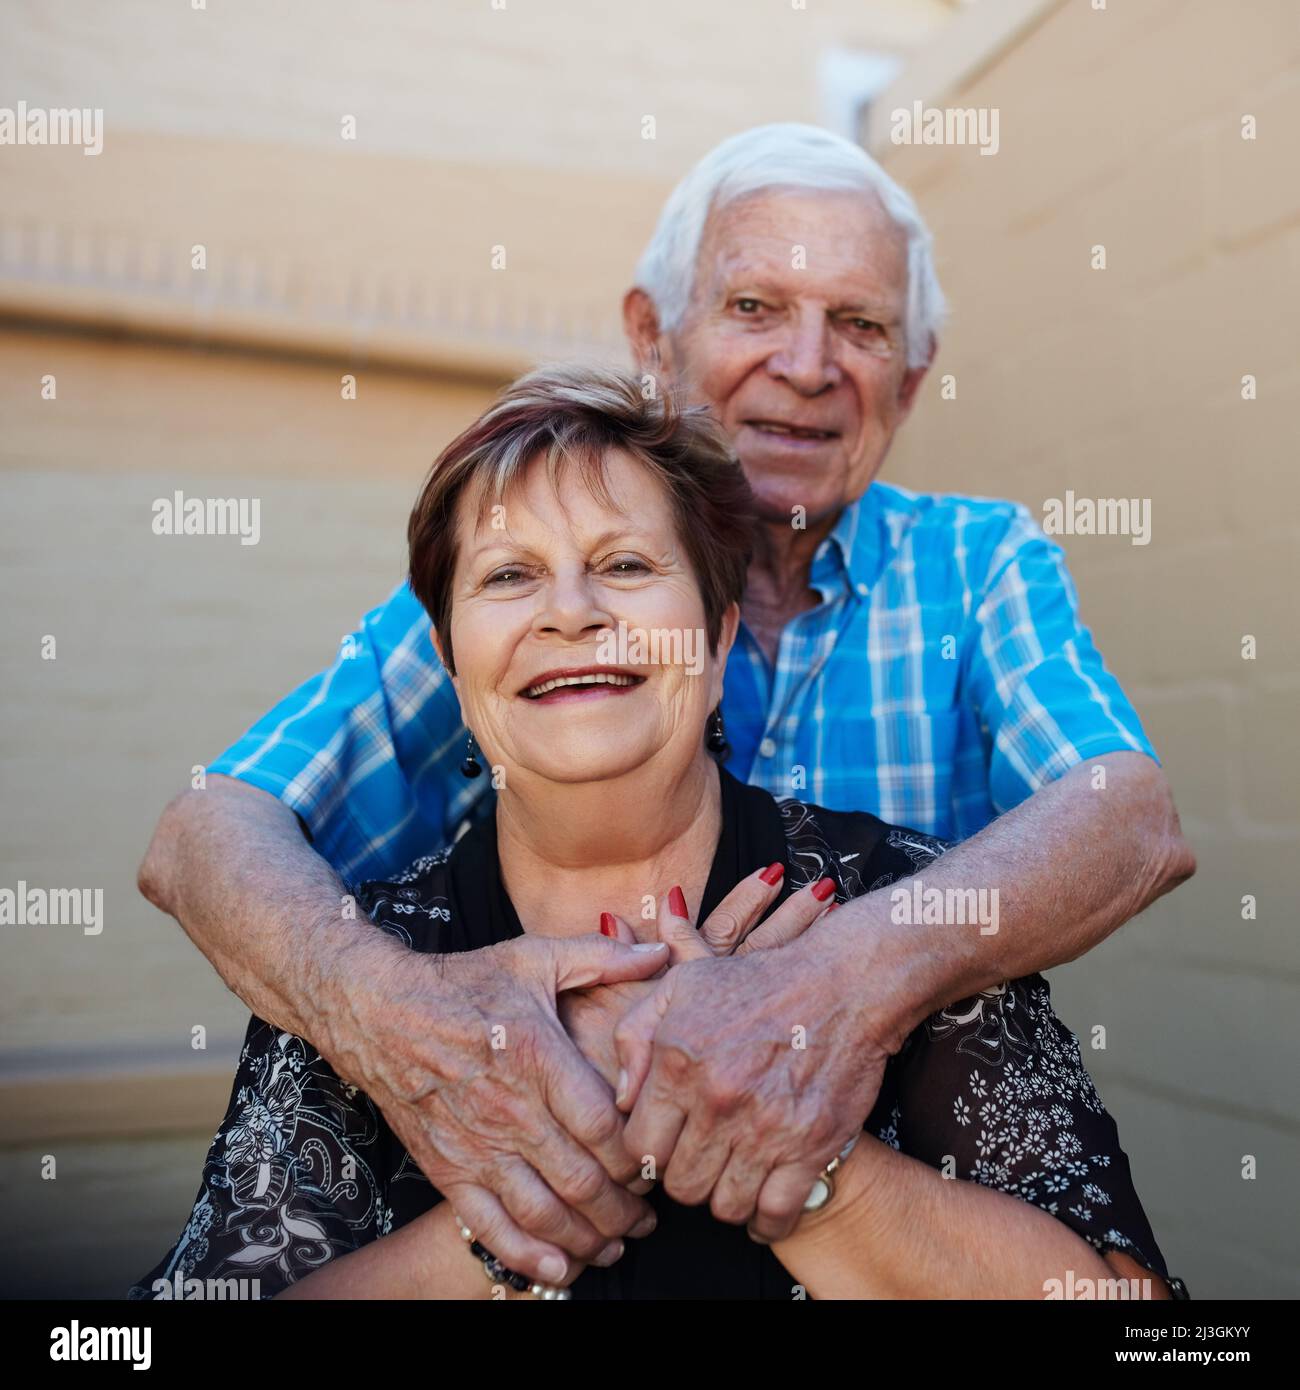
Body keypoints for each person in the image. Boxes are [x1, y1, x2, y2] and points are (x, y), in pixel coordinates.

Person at [137, 124, 1195, 1283]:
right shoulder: (534, 583)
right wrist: (414, 1028)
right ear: (653, 335)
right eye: (753, 306)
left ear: (912, 375)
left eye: (859, 323)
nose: (805, 362)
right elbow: (206, 836)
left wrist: (821, 987)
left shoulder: (979, 560)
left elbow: (1129, 819)